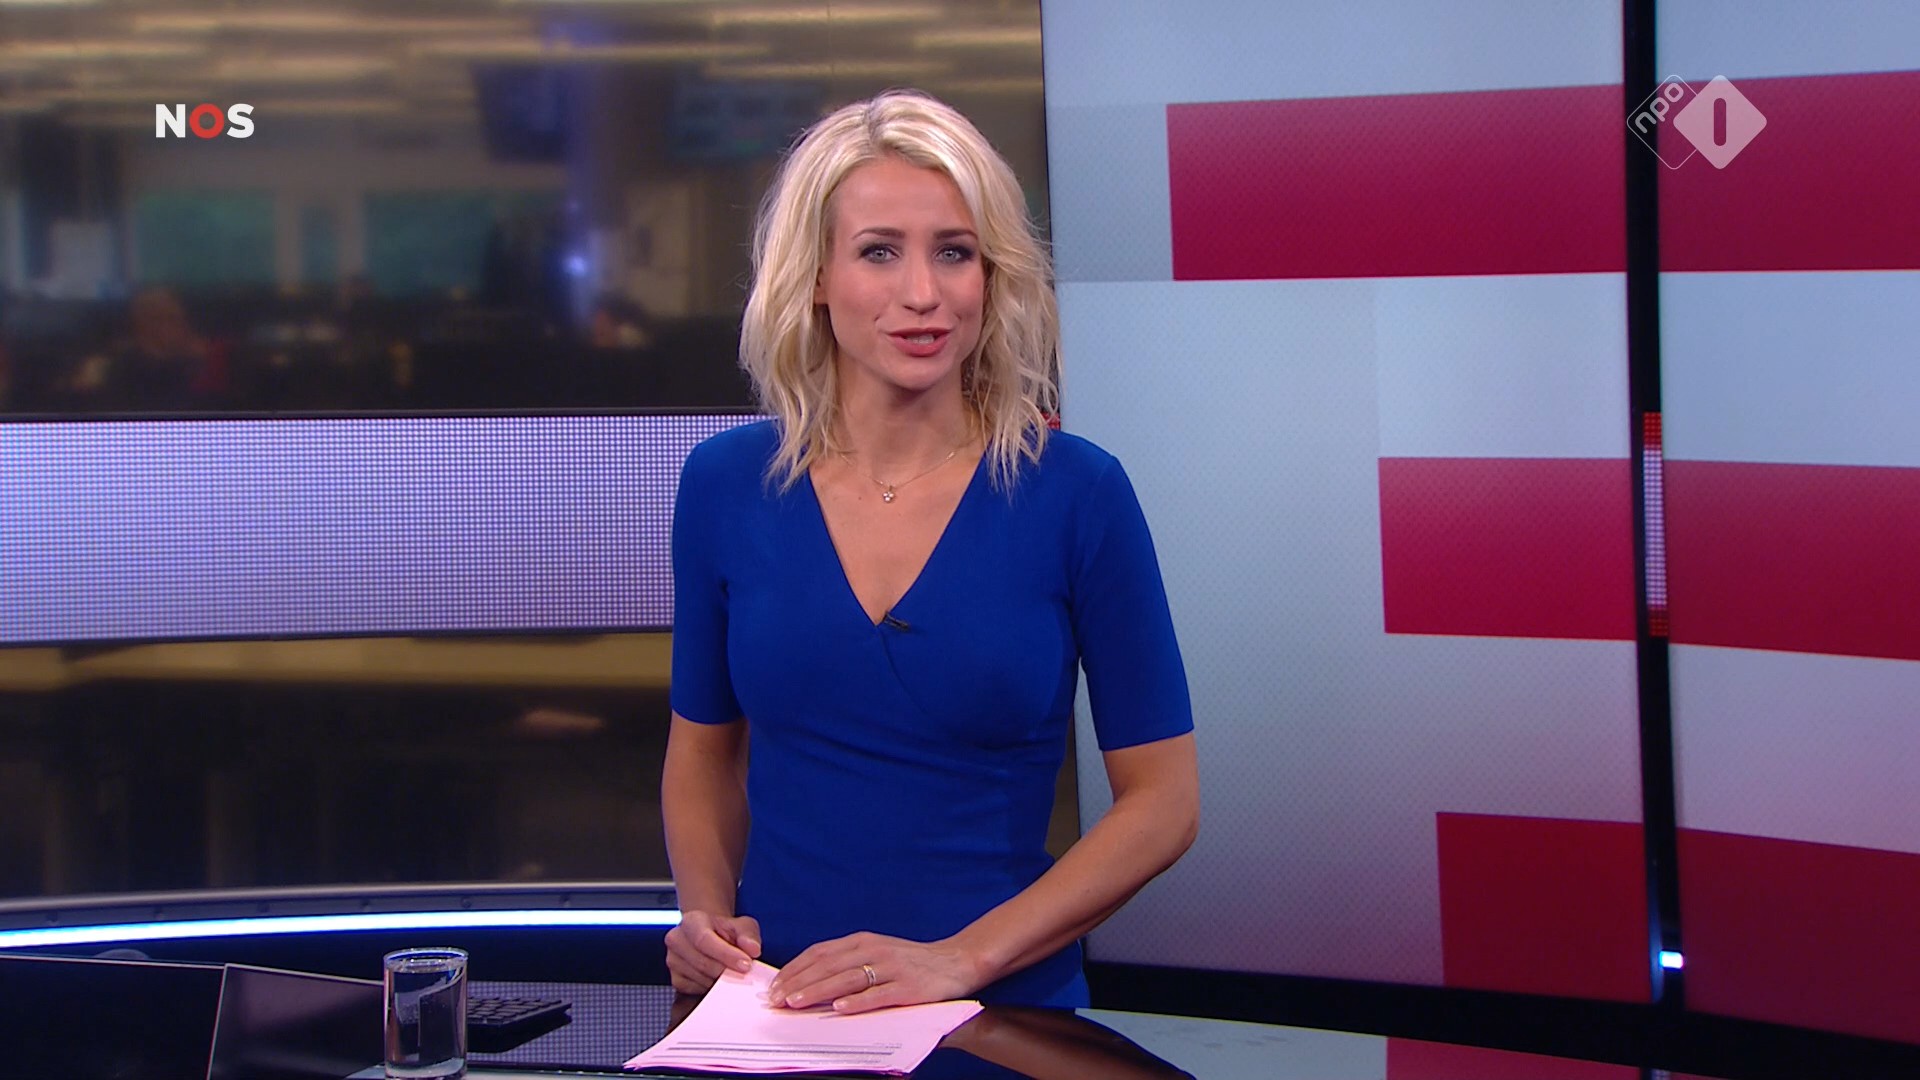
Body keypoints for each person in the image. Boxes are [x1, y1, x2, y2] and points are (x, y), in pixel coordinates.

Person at [662, 90, 1199, 1013]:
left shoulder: (1078, 493)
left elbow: (1165, 801)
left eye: (954, 252)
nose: (924, 293)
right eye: (880, 252)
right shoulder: (723, 485)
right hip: (780, 1012)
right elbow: (703, 756)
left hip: (1000, 1014)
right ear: (816, 276)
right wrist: (706, 916)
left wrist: (960, 960)